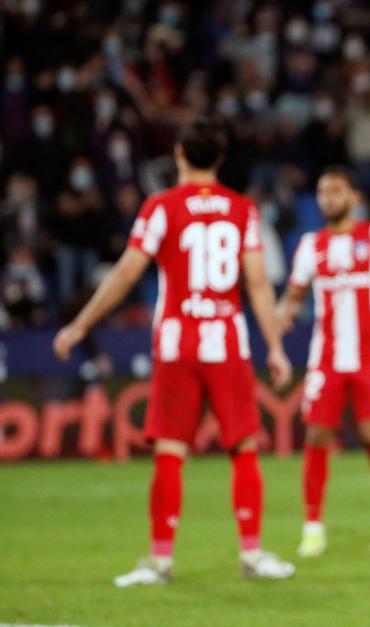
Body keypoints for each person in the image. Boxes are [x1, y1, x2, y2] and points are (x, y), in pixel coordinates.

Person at [52, 118, 295, 585]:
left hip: (177, 341)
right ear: (219, 159)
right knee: (243, 445)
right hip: (227, 340)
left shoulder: (160, 206)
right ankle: (253, 553)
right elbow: (259, 283)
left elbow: (125, 274)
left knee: (170, 450)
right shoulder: (242, 209)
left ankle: (160, 559)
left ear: (180, 155)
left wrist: (81, 324)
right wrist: (277, 347)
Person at [276, 167, 370, 556]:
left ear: (354, 197)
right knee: (315, 437)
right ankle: (312, 526)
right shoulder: (311, 245)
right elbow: (291, 295)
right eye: (323, 192)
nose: (328, 198)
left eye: (336, 191)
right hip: (325, 357)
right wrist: (283, 312)